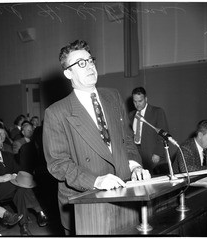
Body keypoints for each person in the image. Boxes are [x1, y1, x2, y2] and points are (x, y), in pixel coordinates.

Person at [43, 39, 151, 235]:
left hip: (124, 193)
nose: (89, 66)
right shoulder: (56, 112)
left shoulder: (113, 96)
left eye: (90, 60)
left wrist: (134, 165)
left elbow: (126, 140)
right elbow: (58, 164)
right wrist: (96, 181)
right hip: (85, 199)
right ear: (68, 73)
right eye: (80, 63)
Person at [0, 131, 48, 236]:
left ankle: (24, 226)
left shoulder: (8, 155)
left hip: (14, 185)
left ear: (2, 141)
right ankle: (39, 210)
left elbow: (18, 170)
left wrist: (14, 175)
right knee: (21, 186)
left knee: (21, 190)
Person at [128, 87, 169, 175]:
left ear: (146, 99)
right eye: (135, 101)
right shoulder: (131, 115)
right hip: (137, 156)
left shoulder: (157, 112)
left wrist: (157, 153)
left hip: (152, 155)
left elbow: (163, 134)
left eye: (140, 101)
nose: (137, 104)